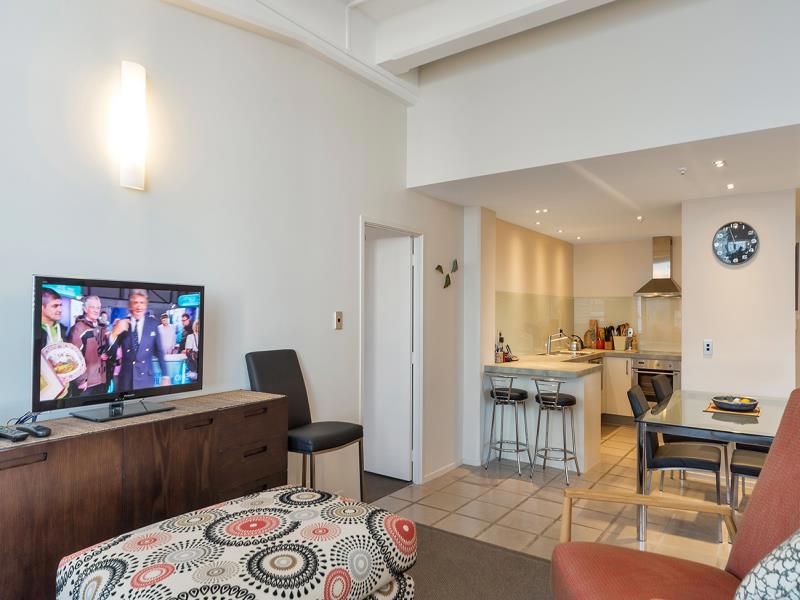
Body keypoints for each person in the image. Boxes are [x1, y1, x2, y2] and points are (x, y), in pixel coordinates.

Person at [108, 289, 170, 391]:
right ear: (130, 305)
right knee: (124, 402)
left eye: (142, 302)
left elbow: (159, 352)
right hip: (126, 380)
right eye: (135, 302)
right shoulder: (122, 323)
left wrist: (165, 375)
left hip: (145, 380)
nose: (139, 306)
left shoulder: (153, 324)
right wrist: (114, 333)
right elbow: (111, 351)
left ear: (146, 305)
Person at [68, 296, 109, 396]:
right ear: (85, 309)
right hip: (86, 384)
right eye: (92, 307)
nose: (96, 310)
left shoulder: (101, 327)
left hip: (101, 380)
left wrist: (103, 353)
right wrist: (81, 380)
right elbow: (73, 356)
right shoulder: (78, 328)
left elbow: (100, 348)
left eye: (98, 308)